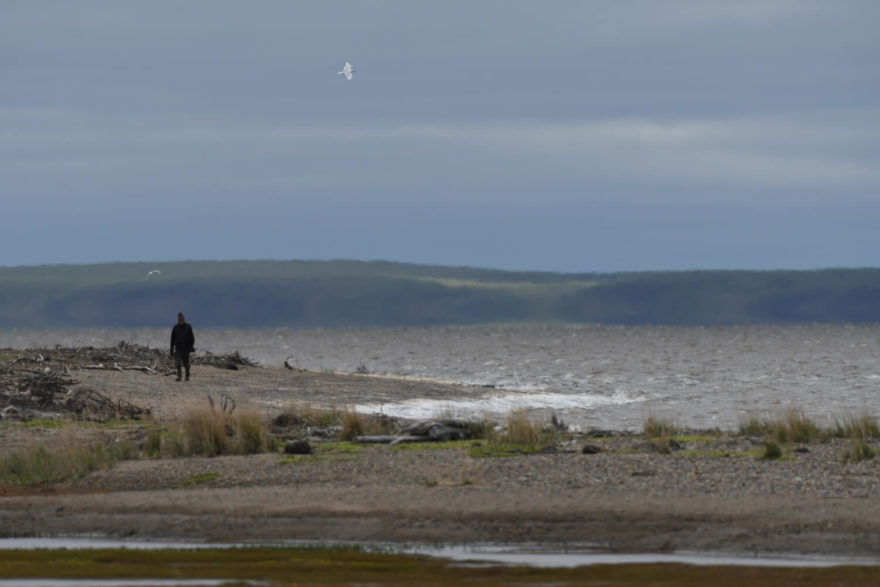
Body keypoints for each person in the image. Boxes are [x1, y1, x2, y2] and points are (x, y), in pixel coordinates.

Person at [170, 312, 195, 382]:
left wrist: (191, 347)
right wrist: (171, 351)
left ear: (184, 320)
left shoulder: (188, 326)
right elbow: (172, 340)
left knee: (186, 364)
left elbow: (192, 338)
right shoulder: (175, 328)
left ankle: (187, 377)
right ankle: (179, 376)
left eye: (182, 320)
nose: (181, 321)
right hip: (178, 348)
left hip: (186, 348)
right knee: (178, 363)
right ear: (178, 320)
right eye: (179, 320)